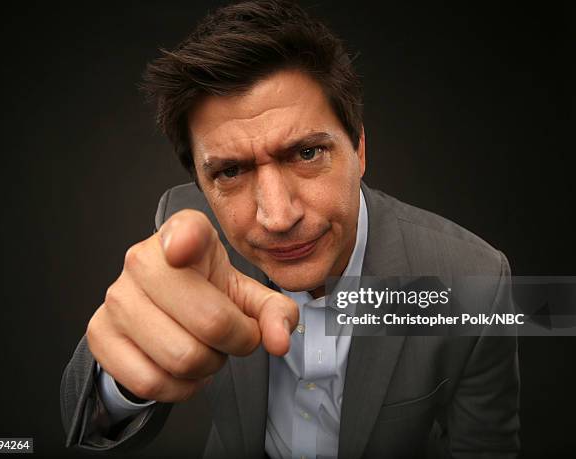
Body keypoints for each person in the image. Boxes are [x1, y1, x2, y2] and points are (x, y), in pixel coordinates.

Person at [60, 1, 520, 457]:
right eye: (231, 171)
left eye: (306, 154)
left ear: (358, 148)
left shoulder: (472, 279)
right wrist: (124, 379)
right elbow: (88, 424)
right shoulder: (189, 235)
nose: (278, 218)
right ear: (200, 183)